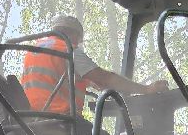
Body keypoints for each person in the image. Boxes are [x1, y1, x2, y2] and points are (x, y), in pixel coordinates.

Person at [20, 14, 164, 114]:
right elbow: (106, 78)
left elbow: (52, 77)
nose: (78, 43)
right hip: (59, 116)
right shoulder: (68, 50)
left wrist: (86, 80)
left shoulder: (34, 50)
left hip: (33, 117)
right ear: (73, 34)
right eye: (79, 39)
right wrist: (146, 89)